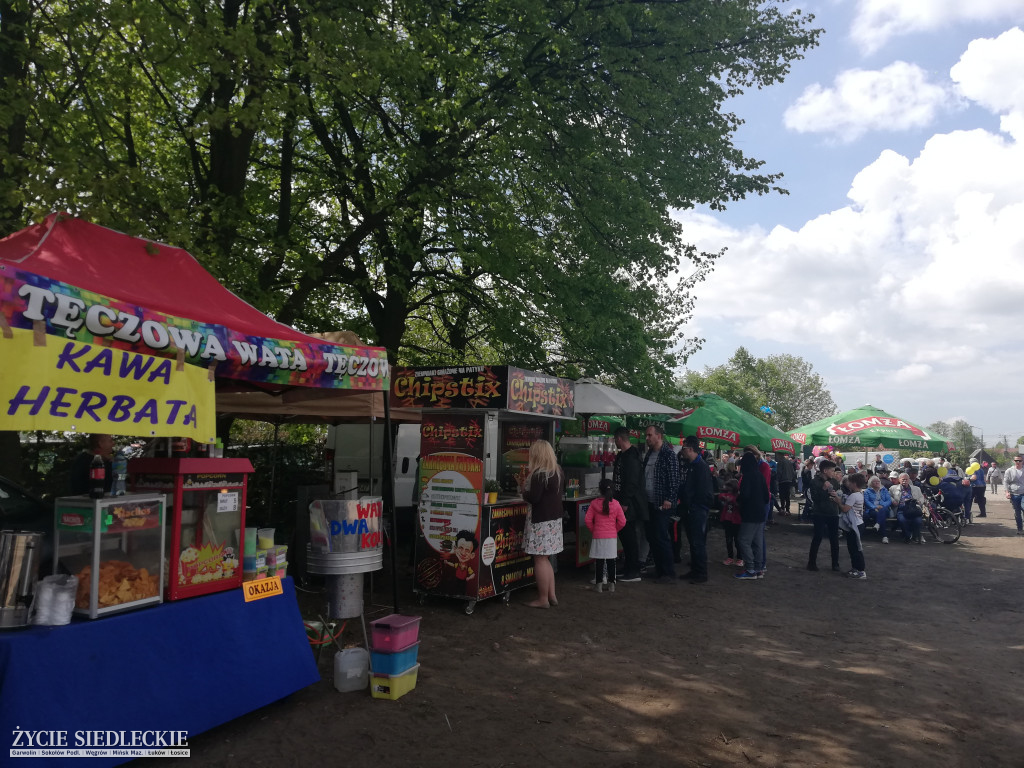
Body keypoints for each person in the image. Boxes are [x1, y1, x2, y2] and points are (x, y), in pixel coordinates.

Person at [519, 440, 564, 608]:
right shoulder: (558, 471)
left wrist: (524, 490)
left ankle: (542, 599)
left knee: (540, 560)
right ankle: (552, 596)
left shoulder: (539, 474)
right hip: (554, 521)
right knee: (546, 559)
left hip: (540, 521)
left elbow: (534, 498)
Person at [641, 424, 680, 584]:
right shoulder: (649, 454)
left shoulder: (668, 455)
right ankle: (659, 569)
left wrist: (669, 499)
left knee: (661, 536)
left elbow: (674, 479)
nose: (647, 438)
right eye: (647, 435)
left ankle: (668, 573)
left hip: (662, 504)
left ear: (659, 436)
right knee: (652, 537)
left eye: (650, 435)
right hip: (649, 502)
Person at [677, 435, 714, 584]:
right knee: (693, 541)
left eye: (684, 448)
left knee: (698, 542)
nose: (682, 451)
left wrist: (694, 506)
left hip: (698, 509)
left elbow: (703, 491)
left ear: (690, 449)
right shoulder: (691, 465)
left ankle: (701, 573)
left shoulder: (701, 467)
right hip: (691, 508)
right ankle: (695, 570)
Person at [611, 427, 646, 582]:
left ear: (619, 439)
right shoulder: (622, 455)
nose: (614, 442)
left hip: (629, 505)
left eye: (614, 439)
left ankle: (634, 570)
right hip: (621, 501)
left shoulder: (632, 457)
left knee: (630, 536)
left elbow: (632, 482)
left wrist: (625, 502)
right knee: (625, 537)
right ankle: (628, 566)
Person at [585, 478, 626, 592]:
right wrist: (614, 530)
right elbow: (622, 521)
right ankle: (612, 584)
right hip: (611, 537)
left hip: (598, 536)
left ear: (600, 490)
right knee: (611, 561)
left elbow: (588, 520)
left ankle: (598, 585)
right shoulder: (617, 504)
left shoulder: (594, 504)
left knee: (599, 561)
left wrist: (594, 530)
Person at [734, 452, 769, 580]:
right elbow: (767, 495)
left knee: (743, 540)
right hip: (761, 512)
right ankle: (758, 569)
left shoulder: (747, 476)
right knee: (757, 541)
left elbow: (745, 495)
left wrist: (739, 500)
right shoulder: (759, 475)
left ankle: (750, 569)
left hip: (750, 513)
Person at [807, 459, 842, 571]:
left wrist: (836, 495)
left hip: (833, 513)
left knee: (834, 539)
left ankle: (835, 563)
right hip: (820, 513)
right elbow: (815, 499)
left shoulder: (835, 481)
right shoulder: (814, 481)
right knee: (817, 537)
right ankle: (811, 563)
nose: (833, 472)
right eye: (832, 470)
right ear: (825, 470)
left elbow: (838, 495)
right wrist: (823, 489)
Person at [838, 473, 868, 579]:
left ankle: (860, 570)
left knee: (855, 548)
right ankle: (856, 569)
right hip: (859, 524)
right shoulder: (859, 494)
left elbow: (845, 509)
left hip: (854, 525)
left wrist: (838, 501)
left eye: (849, 482)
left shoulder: (853, 496)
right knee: (854, 548)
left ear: (854, 484)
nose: (848, 484)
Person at [891, 472, 926, 543]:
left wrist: (920, 501)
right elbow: (889, 496)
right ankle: (908, 536)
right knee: (903, 521)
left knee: (918, 521)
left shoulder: (916, 488)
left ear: (909, 480)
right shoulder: (893, 488)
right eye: (903, 479)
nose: (905, 481)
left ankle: (915, 536)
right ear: (899, 480)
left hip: (913, 509)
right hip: (901, 509)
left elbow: (922, 497)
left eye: (906, 479)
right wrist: (893, 501)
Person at [719, 478, 742, 567]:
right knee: (728, 540)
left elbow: (738, 503)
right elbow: (720, 496)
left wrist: (730, 499)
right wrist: (726, 497)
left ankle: (740, 558)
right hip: (727, 521)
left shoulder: (738, 496)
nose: (727, 488)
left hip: (736, 522)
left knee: (737, 540)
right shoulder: (727, 494)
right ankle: (730, 557)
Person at [863, 475, 892, 543]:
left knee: (882, 511)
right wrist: (875, 507)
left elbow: (889, 500)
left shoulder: (884, 490)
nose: (877, 483)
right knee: (881, 516)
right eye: (874, 482)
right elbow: (866, 502)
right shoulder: (867, 491)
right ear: (871, 483)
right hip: (872, 509)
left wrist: (882, 505)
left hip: (884, 509)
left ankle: (878, 524)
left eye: (878, 481)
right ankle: (884, 536)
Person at [1004, 456, 1024, 535]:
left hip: (1023, 493)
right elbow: (1006, 482)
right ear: (1014, 461)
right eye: (1016, 461)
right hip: (1014, 494)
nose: (1018, 462)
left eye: (1020, 460)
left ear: (1022, 461)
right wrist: (1007, 492)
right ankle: (1020, 529)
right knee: (1017, 512)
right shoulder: (1009, 470)